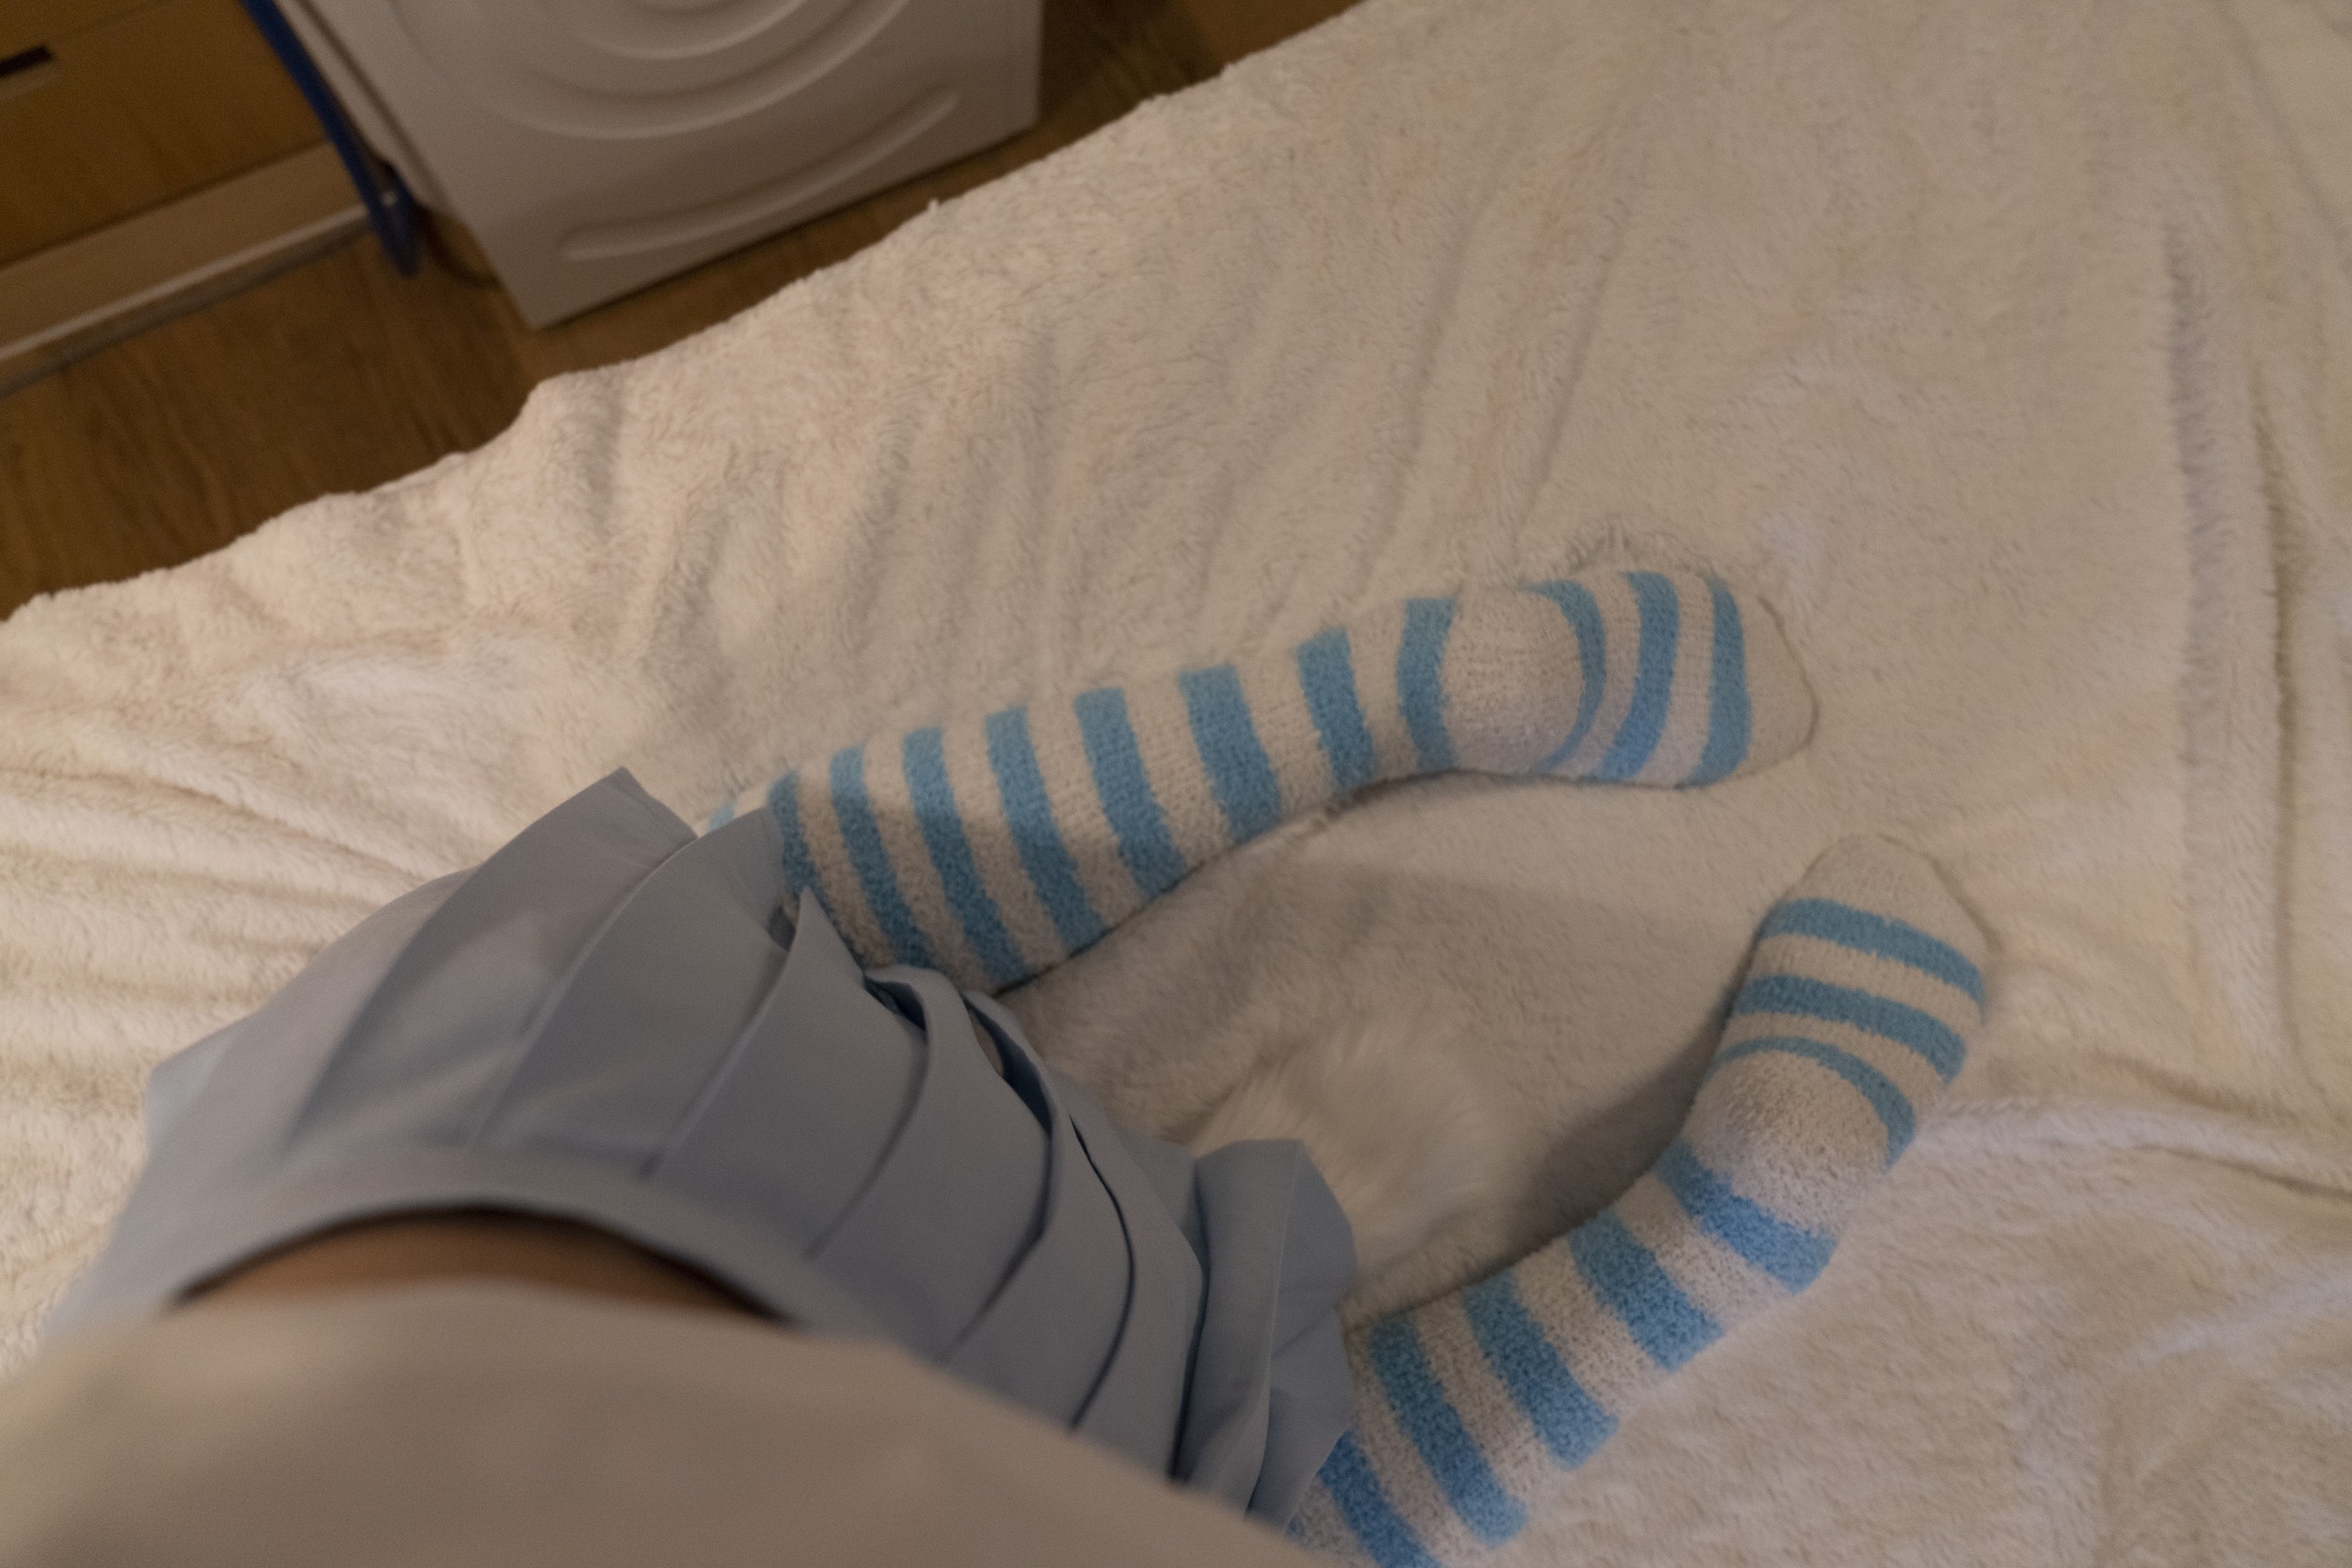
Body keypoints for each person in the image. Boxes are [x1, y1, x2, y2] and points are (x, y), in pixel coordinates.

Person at [2, 572, 1988, 1566]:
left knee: (1274, 1513)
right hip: (493, 1154)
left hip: (767, 1362)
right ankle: (1419, 690)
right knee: (773, 909)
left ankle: (1719, 1227)